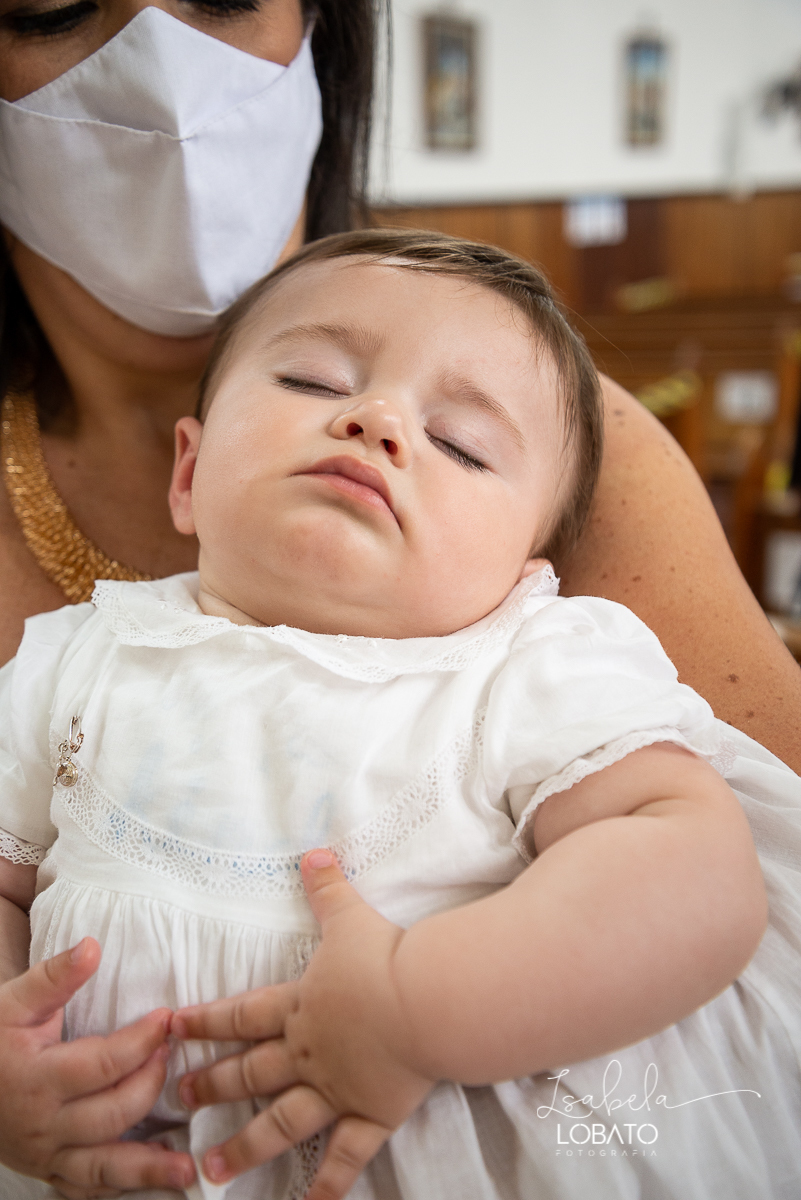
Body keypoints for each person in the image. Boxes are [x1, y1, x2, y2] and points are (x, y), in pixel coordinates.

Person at [0, 230, 798, 1200]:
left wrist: (424, 1008)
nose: (376, 419)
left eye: (461, 444)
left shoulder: (525, 666)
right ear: (188, 474)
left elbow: (695, 871)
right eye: (312, 381)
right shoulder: (77, 658)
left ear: (524, 572)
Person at [0, 1, 799, 783]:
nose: (164, 76)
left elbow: (738, 826)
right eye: (48, 10)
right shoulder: (55, 682)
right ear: (189, 466)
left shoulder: (558, 486)